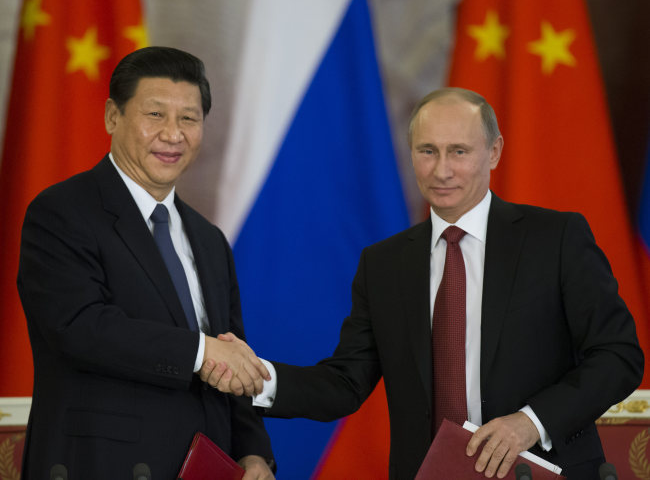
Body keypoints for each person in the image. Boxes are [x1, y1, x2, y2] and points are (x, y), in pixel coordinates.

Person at [201, 87, 644, 479]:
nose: (442, 170)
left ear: (493, 152)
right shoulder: (384, 263)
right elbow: (344, 384)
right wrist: (258, 378)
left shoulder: (556, 238)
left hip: (542, 469)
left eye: (459, 151)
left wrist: (529, 422)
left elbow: (618, 355)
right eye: (427, 151)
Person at [17, 46, 274, 479]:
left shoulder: (210, 241)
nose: (173, 134)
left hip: (205, 469)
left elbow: (231, 355)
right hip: (99, 467)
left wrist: (253, 452)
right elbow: (79, 327)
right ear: (112, 117)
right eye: (155, 114)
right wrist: (200, 350)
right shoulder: (62, 211)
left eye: (189, 119)